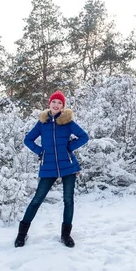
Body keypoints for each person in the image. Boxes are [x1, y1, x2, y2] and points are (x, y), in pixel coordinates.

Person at [15, 90, 89, 248]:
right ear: (49, 103)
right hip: (48, 166)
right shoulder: (42, 123)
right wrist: (41, 151)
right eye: (54, 102)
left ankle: (66, 235)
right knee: (37, 200)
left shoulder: (68, 122)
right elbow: (28, 140)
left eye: (60, 103)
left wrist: (69, 147)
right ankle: (21, 234)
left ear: (63, 106)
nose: (56, 105)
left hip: (68, 165)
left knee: (68, 200)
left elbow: (84, 137)